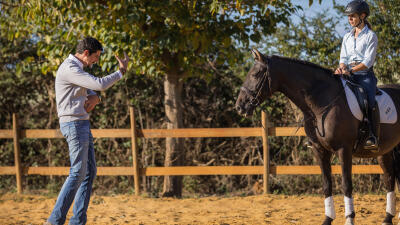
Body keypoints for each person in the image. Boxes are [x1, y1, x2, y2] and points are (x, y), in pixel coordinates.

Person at [45, 36, 129, 225]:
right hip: (74, 125)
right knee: (77, 173)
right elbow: (98, 84)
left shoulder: (77, 69)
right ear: (85, 53)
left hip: (81, 124)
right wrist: (121, 72)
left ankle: (77, 221)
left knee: (89, 172)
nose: (96, 61)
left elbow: (91, 90)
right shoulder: (70, 68)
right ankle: (54, 221)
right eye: (96, 57)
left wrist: (96, 98)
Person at [334, 0, 378, 149]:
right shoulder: (347, 36)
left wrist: (351, 70)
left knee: (369, 101)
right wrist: (341, 68)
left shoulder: (371, 36)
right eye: (348, 17)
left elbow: (368, 61)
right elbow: (343, 59)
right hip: (348, 73)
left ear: (363, 16)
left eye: (352, 16)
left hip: (365, 75)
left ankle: (372, 135)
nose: (350, 19)